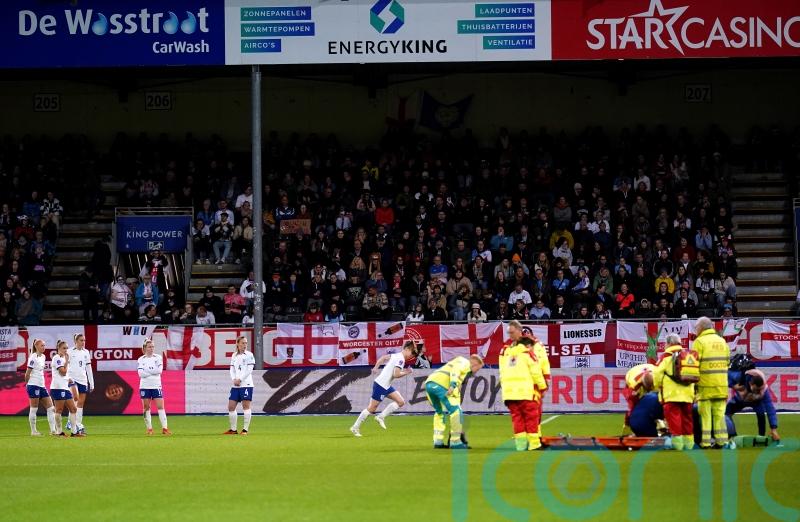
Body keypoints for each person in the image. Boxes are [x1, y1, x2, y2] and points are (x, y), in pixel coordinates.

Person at [350, 341, 421, 437]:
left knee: (401, 402)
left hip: (386, 385)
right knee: (371, 408)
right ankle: (355, 427)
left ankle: (380, 417)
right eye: (411, 353)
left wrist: (376, 367)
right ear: (407, 349)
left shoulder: (396, 355)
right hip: (381, 385)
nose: (411, 356)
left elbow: (383, 358)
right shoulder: (401, 359)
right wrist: (407, 372)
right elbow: (396, 374)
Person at [424, 354, 484, 449]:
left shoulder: (459, 366)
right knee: (456, 412)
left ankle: (438, 441)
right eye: (478, 368)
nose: (477, 371)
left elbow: (457, 388)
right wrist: (452, 385)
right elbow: (455, 370)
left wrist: (455, 387)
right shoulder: (464, 362)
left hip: (429, 383)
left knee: (439, 413)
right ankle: (455, 441)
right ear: (475, 364)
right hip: (441, 385)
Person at [499, 337, 547, 451]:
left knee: (517, 419)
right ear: (528, 346)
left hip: (509, 394)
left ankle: (521, 446)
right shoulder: (528, 354)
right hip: (525, 393)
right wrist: (542, 387)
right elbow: (536, 373)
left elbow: (501, 373)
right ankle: (534, 444)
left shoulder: (506, 355)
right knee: (531, 418)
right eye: (531, 347)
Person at [653, 334, 696, 450]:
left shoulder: (665, 357)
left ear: (668, 343)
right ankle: (689, 445)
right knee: (688, 421)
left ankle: (678, 446)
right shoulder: (689, 356)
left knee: (674, 421)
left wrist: (657, 387)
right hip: (688, 395)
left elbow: (657, 375)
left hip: (671, 395)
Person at [694, 316, 731, 448]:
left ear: (702, 327)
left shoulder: (699, 342)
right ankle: (722, 441)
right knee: (720, 415)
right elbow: (727, 362)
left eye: (696, 327)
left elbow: (694, 364)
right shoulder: (722, 342)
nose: (695, 330)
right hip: (721, 385)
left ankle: (705, 442)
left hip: (705, 385)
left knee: (705, 415)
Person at [727, 358, 780, 443]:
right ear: (751, 384)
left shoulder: (764, 390)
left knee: (761, 414)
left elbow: (770, 409)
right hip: (740, 399)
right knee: (726, 413)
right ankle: (733, 436)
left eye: (759, 390)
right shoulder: (739, 377)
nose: (757, 392)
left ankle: (761, 438)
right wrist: (732, 385)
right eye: (755, 390)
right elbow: (727, 374)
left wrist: (774, 428)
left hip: (756, 402)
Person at [137, 339, 171, 435]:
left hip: (156, 385)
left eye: (152, 347)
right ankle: (149, 429)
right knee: (146, 407)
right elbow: (140, 374)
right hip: (144, 386)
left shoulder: (158, 357)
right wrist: (153, 371)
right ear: (145, 348)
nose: (152, 348)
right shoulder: (141, 359)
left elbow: (159, 371)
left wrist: (147, 371)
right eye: (149, 347)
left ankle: (165, 428)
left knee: (160, 406)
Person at [24, 338, 56, 436]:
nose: (44, 347)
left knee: (51, 408)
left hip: (41, 386)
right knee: (34, 409)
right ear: (36, 346)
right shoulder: (33, 357)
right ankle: (33, 431)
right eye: (42, 345)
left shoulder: (43, 356)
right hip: (33, 385)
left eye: (44, 345)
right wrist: (27, 385)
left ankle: (53, 430)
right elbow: (27, 373)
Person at [224, 336, 255, 435]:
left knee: (246, 406)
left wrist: (240, 379)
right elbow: (232, 369)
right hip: (236, 385)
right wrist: (234, 379)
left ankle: (245, 430)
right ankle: (233, 430)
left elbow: (249, 370)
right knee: (231, 406)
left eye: (246, 343)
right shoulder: (234, 355)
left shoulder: (249, 355)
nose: (245, 345)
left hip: (246, 384)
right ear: (237, 343)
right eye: (243, 343)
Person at [50, 340, 81, 437]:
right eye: (64, 348)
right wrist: (67, 362)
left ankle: (74, 432)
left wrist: (69, 379)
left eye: (67, 348)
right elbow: (62, 372)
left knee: (73, 409)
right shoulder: (57, 358)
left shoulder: (63, 358)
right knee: (59, 410)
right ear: (58, 348)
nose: (66, 350)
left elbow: (64, 375)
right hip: (57, 388)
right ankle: (59, 432)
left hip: (65, 387)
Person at [66, 333, 94, 435]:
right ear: (76, 341)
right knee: (75, 399)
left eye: (84, 340)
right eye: (81, 340)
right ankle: (71, 422)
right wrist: (68, 377)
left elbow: (88, 368)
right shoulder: (69, 352)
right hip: (72, 379)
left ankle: (78, 424)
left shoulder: (86, 352)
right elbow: (66, 366)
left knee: (81, 403)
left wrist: (91, 382)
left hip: (83, 379)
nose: (83, 342)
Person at [622, 363, 656, 436]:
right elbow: (631, 403)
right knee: (634, 406)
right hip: (632, 373)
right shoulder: (634, 384)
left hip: (651, 369)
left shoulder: (659, 377)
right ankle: (628, 429)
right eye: (648, 388)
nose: (649, 390)